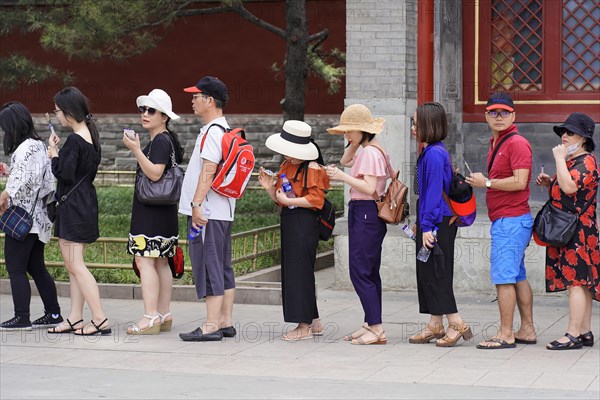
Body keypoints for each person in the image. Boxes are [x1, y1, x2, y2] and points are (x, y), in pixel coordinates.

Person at [465, 92, 536, 349]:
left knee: (504, 277)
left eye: (504, 112)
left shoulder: (516, 143)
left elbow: (520, 181)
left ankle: (505, 334)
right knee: (517, 275)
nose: (499, 117)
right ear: (486, 116)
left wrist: (486, 182)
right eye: (493, 112)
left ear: (514, 115)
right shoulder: (497, 142)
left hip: (511, 220)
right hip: (510, 219)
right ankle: (526, 329)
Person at [46, 86, 110, 336]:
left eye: (57, 111)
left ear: (69, 112)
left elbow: (65, 173)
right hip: (84, 201)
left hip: (72, 206)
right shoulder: (90, 135)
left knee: (75, 265)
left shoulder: (74, 139)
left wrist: (53, 156)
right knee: (75, 265)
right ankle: (75, 318)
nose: (56, 115)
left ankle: (99, 318)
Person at [258, 120, 329, 341]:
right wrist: (270, 188)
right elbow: (281, 200)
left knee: (299, 272)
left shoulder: (313, 168)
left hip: (304, 222)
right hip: (290, 219)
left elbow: (316, 200)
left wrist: (293, 200)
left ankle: (303, 326)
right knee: (298, 271)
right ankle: (313, 319)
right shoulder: (287, 165)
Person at [408, 102, 472, 347]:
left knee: (437, 273)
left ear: (430, 125)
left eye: (417, 123)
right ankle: (435, 324)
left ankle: (456, 323)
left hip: (438, 222)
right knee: (428, 271)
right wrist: (419, 223)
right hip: (433, 219)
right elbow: (426, 195)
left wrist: (426, 227)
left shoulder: (434, 154)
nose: (413, 128)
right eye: (413, 123)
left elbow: (433, 195)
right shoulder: (431, 150)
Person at [325, 104, 389, 345]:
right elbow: (345, 159)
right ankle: (370, 322)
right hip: (366, 213)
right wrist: (354, 140)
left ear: (363, 130)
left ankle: (376, 327)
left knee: (360, 271)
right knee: (369, 271)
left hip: (366, 212)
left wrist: (341, 177)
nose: (346, 135)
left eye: (350, 130)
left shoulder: (371, 153)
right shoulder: (369, 149)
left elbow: (370, 188)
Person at [178, 76, 236, 342]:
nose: (192, 101)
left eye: (195, 96)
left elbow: (208, 171)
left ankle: (211, 324)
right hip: (221, 212)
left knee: (209, 265)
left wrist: (197, 204)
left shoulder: (213, 132)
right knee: (223, 265)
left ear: (209, 100)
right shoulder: (222, 131)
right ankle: (225, 321)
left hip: (208, 213)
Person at [536, 113, 599, 350]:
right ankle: (584, 332)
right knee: (582, 283)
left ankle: (572, 334)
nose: (564, 136)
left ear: (583, 138)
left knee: (576, 281)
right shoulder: (575, 161)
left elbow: (570, 186)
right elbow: (565, 188)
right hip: (576, 228)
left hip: (579, 231)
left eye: (569, 132)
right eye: (563, 132)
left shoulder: (586, 162)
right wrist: (548, 182)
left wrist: (559, 160)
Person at [123, 89, 184, 335]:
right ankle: (163, 313)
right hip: (164, 212)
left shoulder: (160, 141)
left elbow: (155, 173)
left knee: (144, 259)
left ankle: (150, 316)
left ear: (165, 116)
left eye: (151, 111)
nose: (145, 114)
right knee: (160, 262)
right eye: (143, 110)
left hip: (151, 212)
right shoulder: (167, 139)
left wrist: (136, 150)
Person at [0, 102, 63, 331]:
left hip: (22, 218)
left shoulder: (25, 148)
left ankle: (22, 317)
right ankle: (53, 313)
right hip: (38, 219)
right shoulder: (38, 145)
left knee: (15, 268)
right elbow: (41, 180)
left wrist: (6, 193)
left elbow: (25, 178)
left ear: (13, 126)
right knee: (37, 267)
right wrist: (9, 171)